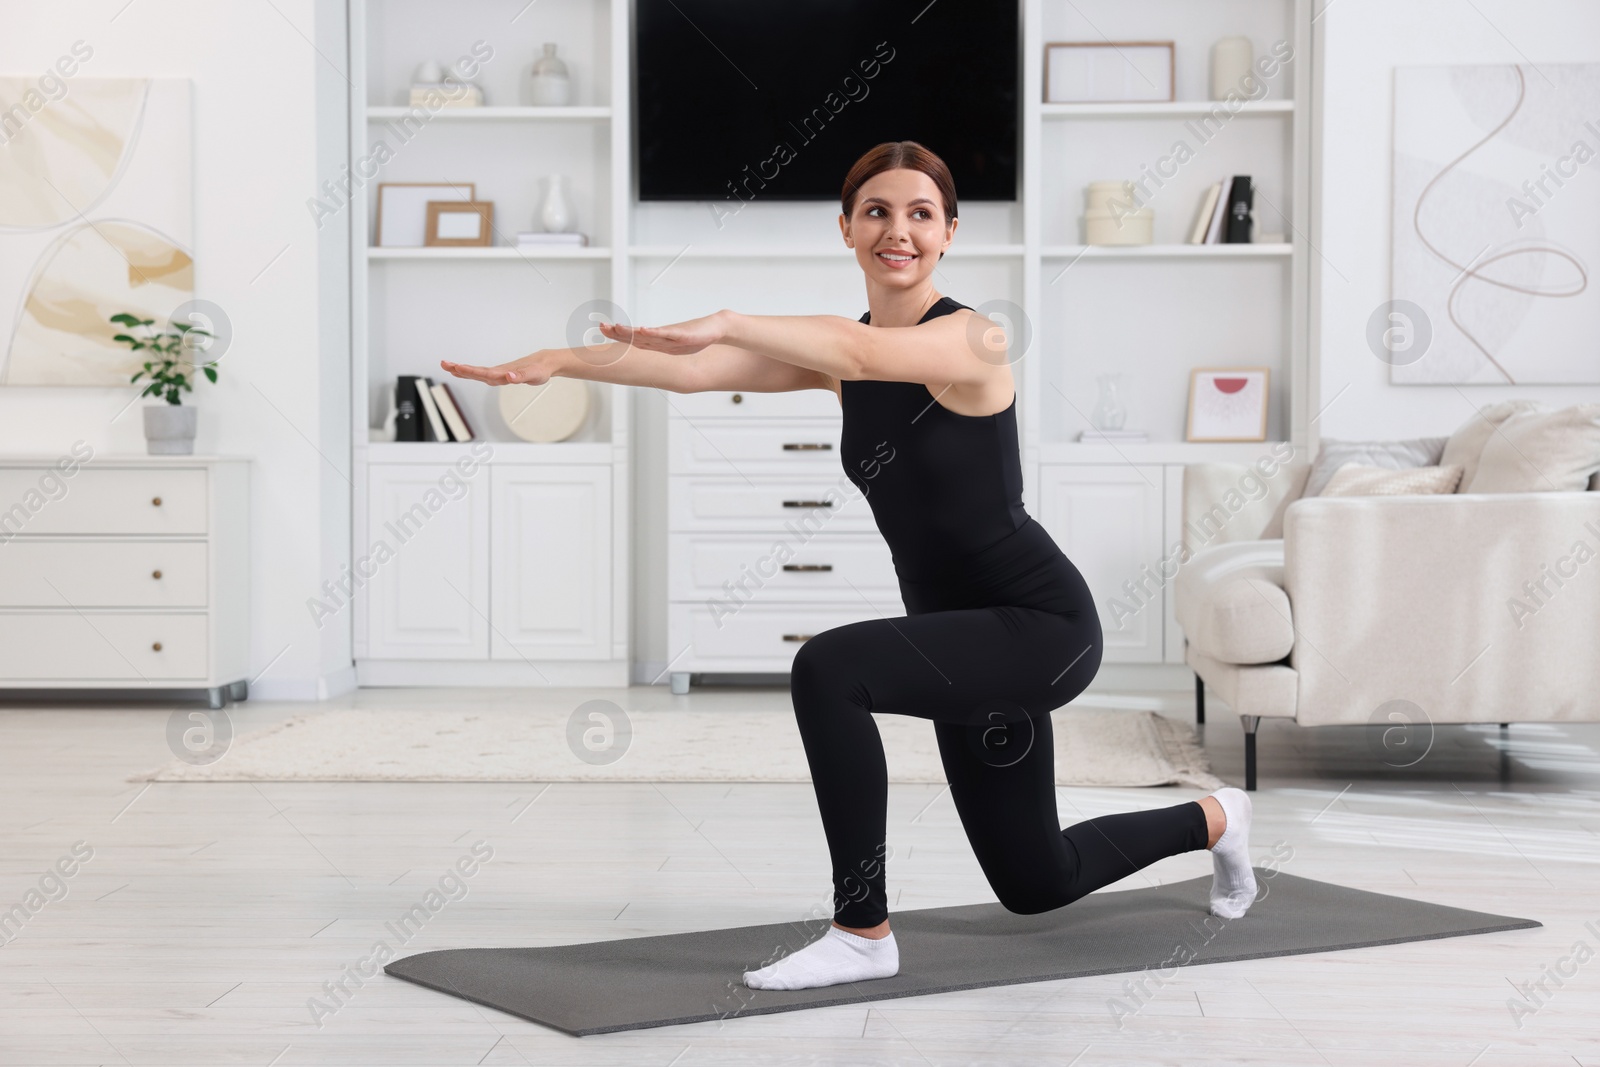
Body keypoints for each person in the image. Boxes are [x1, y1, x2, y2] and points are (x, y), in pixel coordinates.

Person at [439, 140, 1257, 993]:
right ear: (845, 228)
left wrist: (725, 315)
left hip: (1042, 627)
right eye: (876, 212)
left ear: (948, 234)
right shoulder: (844, 353)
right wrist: (562, 360)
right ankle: (1220, 816)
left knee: (827, 668)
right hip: (958, 637)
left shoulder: (975, 338)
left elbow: (853, 354)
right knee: (1035, 878)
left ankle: (861, 929)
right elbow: (699, 370)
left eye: (918, 214)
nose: (896, 231)